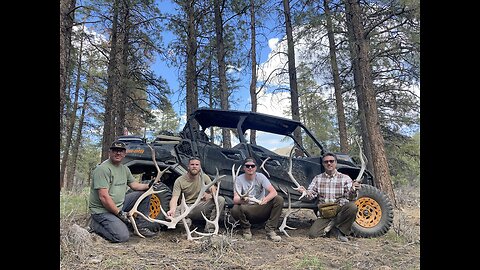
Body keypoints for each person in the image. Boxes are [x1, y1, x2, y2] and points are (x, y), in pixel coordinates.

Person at [88, 140, 157, 243]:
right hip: (103, 211)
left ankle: (140, 226)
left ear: (125, 154)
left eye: (121, 151)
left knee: (145, 194)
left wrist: (149, 185)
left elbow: (135, 185)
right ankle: (94, 225)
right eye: (115, 150)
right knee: (122, 237)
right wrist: (119, 213)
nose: (118, 153)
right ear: (109, 152)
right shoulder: (102, 169)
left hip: (119, 205)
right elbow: (104, 197)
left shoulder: (124, 169)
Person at [298, 152, 361, 242]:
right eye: (326, 162)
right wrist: (305, 192)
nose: (329, 163)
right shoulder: (317, 178)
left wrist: (354, 190)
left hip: (340, 209)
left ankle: (342, 232)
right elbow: (311, 195)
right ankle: (333, 227)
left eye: (331, 161)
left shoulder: (345, 178)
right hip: (326, 213)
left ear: (335, 163)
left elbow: (351, 198)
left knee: (352, 207)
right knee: (313, 234)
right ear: (323, 164)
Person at [166, 157, 225, 233]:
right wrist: (172, 209)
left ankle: (210, 229)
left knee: (220, 199)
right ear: (188, 166)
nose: (194, 166)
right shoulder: (180, 180)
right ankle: (187, 223)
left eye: (197, 165)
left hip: (199, 206)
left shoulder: (204, 177)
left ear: (200, 167)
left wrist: (210, 195)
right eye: (192, 164)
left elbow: (213, 191)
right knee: (169, 217)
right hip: (186, 207)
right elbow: (174, 198)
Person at [230, 157, 284, 242]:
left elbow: (273, 192)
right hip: (247, 209)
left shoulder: (261, 177)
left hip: (260, 207)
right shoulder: (239, 179)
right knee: (235, 209)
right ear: (244, 168)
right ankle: (246, 229)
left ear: (255, 168)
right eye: (247, 166)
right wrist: (243, 200)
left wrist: (265, 200)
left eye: (252, 166)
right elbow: (235, 199)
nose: (250, 168)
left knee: (278, 199)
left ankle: (270, 230)